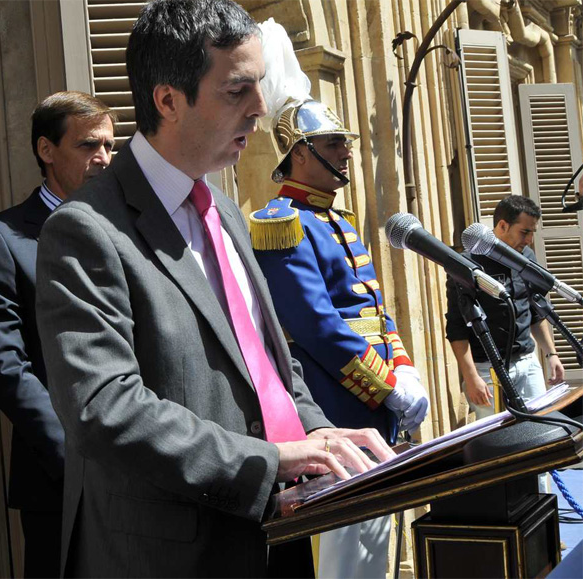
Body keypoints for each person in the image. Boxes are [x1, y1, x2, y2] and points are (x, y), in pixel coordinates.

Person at [34, 1, 395, 577]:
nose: (260, 109)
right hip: (170, 553)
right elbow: (104, 408)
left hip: (281, 534)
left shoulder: (225, 211)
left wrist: (319, 430)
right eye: (237, 91)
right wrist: (270, 460)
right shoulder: (85, 229)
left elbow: (271, 366)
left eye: (260, 88)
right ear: (168, 99)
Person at [251, 99, 429, 578]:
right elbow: (317, 326)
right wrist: (385, 386)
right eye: (334, 143)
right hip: (336, 409)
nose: (346, 152)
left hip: (374, 407)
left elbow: (373, 308)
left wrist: (404, 365)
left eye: (345, 142)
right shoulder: (280, 222)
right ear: (300, 152)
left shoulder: (339, 219)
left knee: (374, 549)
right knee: (345, 559)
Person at [0, 91, 115, 578]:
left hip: (145, 468)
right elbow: (4, 364)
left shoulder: (127, 230)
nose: (103, 158)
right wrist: (74, 450)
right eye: (89, 145)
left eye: (110, 147)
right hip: (61, 475)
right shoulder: (3, 237)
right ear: (46, 150)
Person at [446, 194, 565, 422]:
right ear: (502, 225)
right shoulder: (467, 264)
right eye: (524, 232)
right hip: (488, 369)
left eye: (532, 233)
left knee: (542, 428)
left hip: (528, 362)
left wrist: (551, 354)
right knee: (502, 440)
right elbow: (456, 327)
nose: (529, 240)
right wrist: (471, 377)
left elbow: (535, 311)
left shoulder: (526, 257)